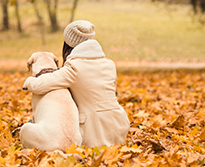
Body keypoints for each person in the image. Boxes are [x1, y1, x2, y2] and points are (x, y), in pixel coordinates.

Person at [23, 20, 130, 148]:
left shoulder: (74, 68)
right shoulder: (109, 64)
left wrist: (28, 81)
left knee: (33, 125)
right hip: (119, 125)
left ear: (68, 44)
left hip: (93, 130)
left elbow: (41, 85)